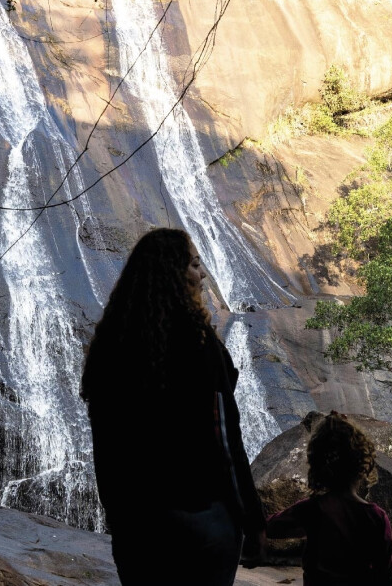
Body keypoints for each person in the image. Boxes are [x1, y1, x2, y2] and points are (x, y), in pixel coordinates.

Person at [81, 228, 265, 585]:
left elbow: (103, 444)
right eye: (195, 264)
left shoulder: (109, 348)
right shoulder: (197, 342)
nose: (203, 273)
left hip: (136, 525)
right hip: (200, 518)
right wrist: (253, 516)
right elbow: (226, 437)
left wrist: (117, 515)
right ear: (175, 273)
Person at [266, 412, 392, 586]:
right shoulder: (377, 518)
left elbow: (270, 527)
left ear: (317, 465)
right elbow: (386, 575)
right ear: (362, 464)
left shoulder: (312, 510)